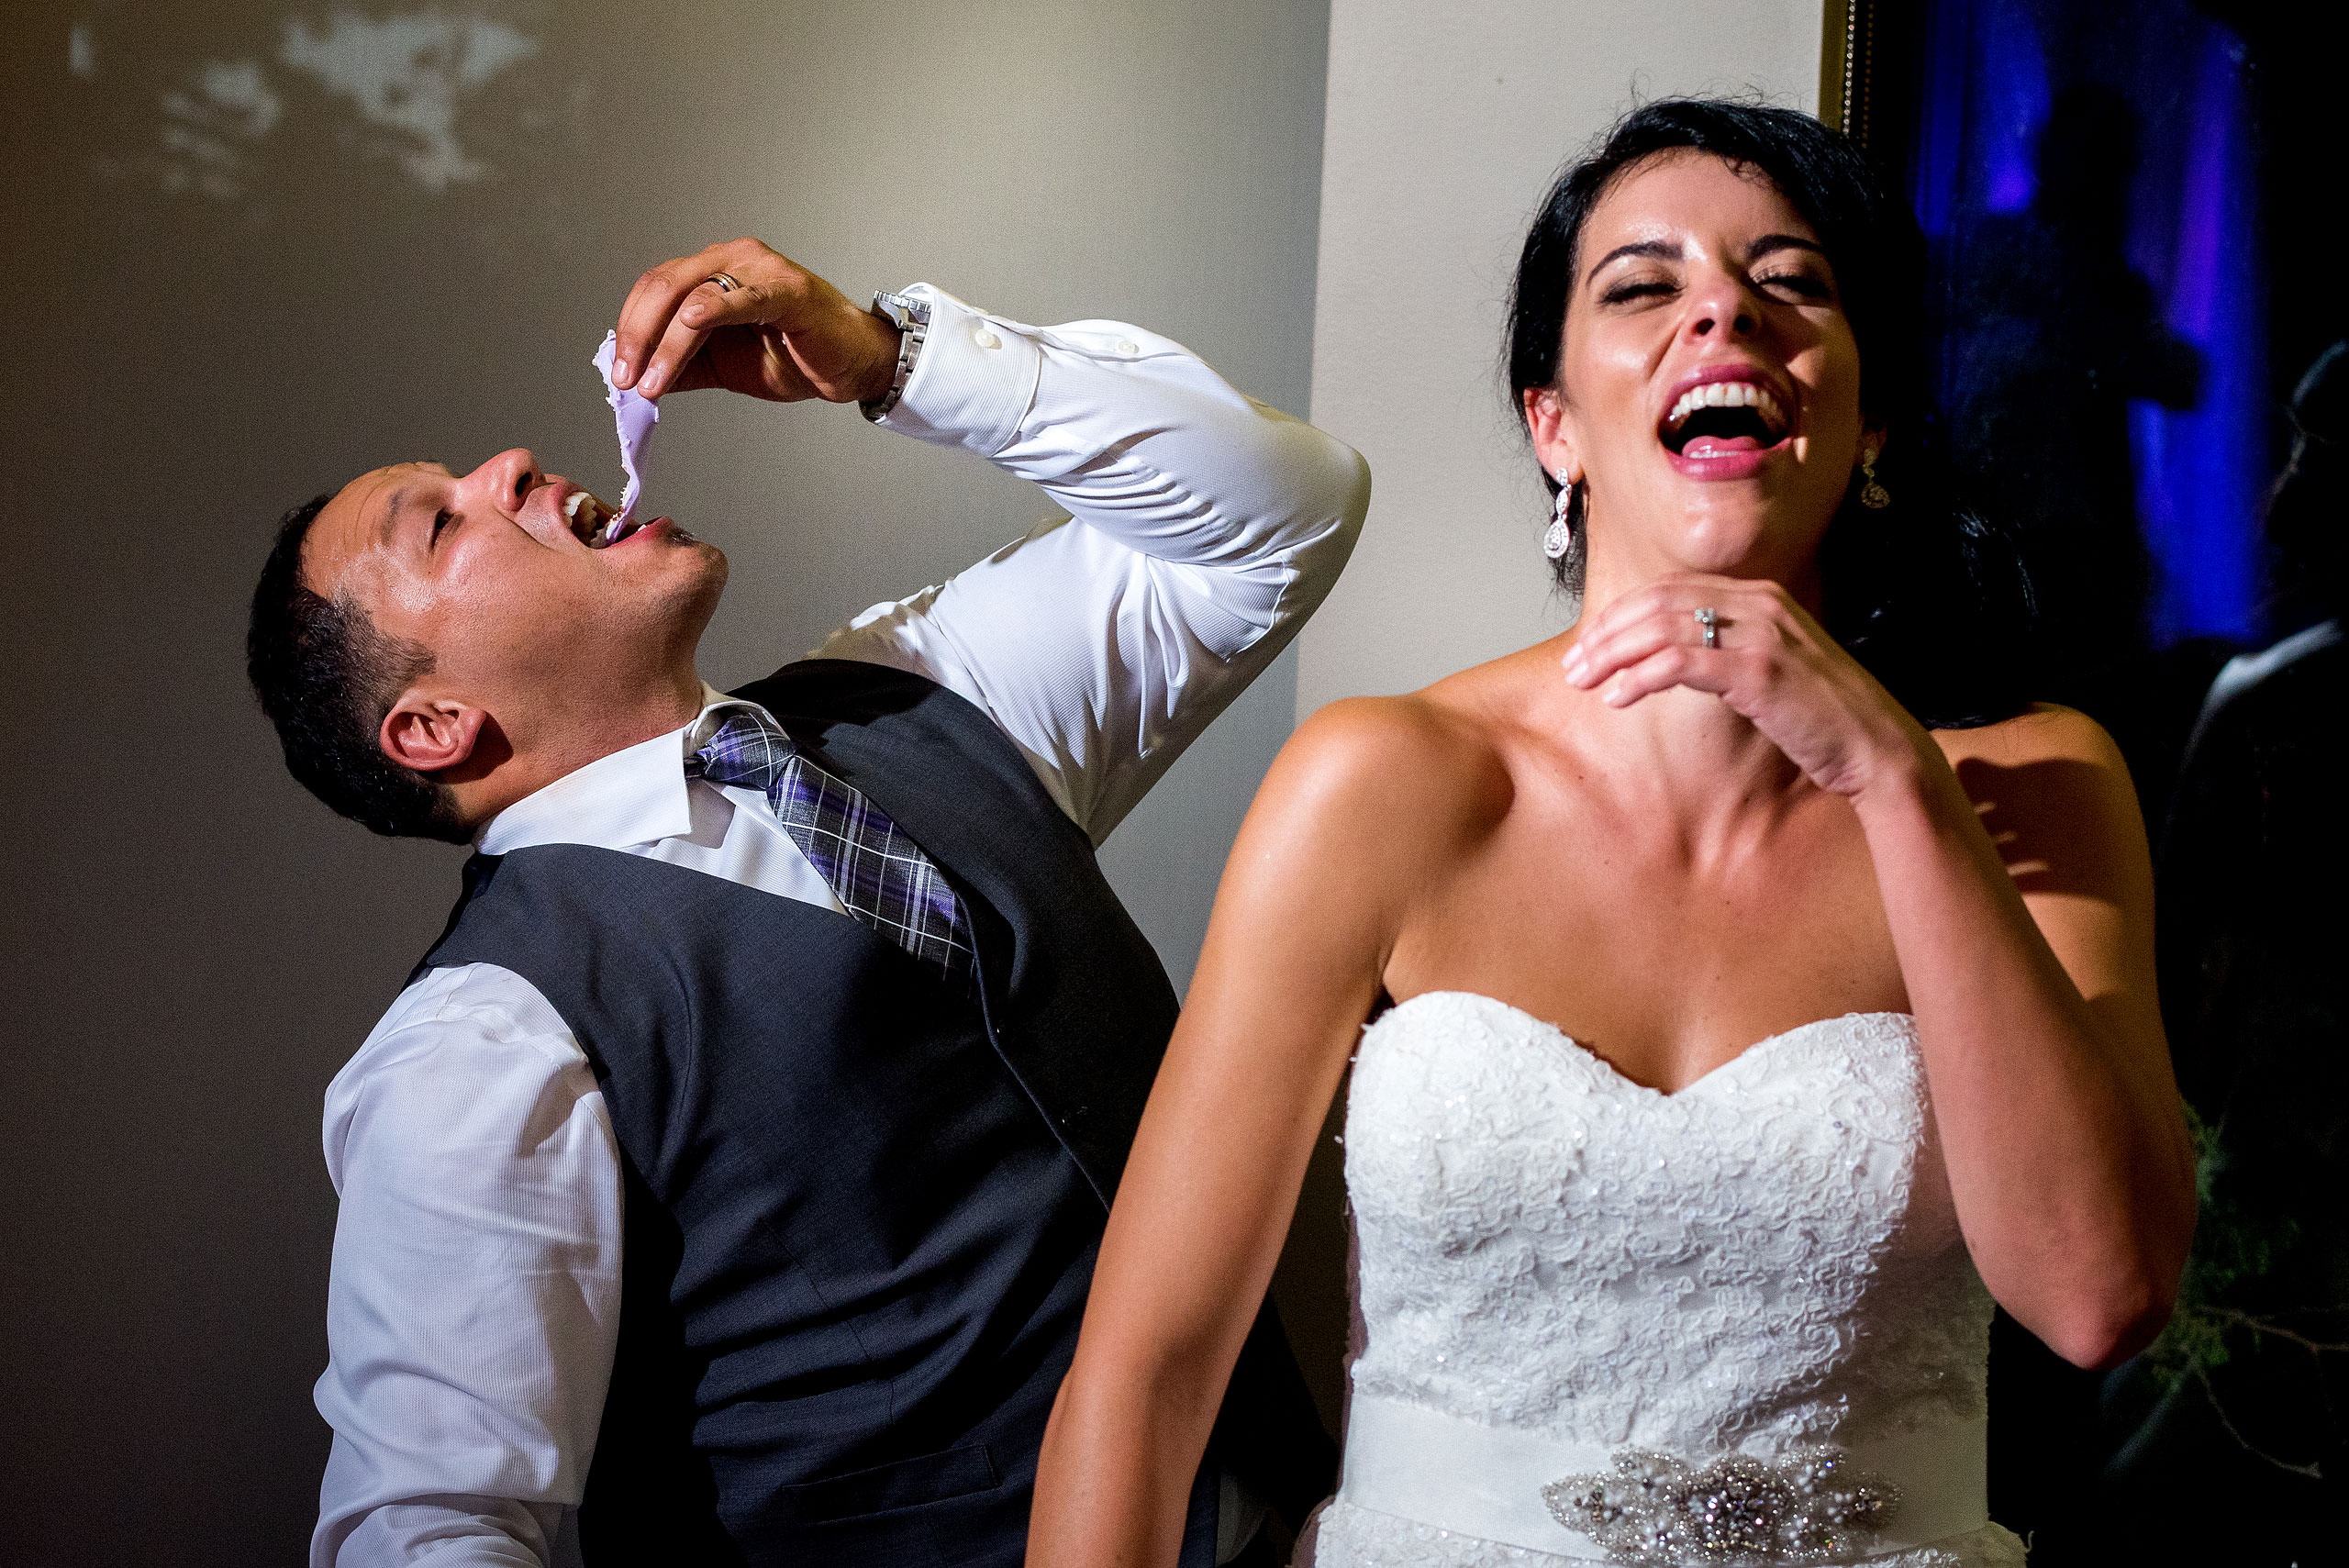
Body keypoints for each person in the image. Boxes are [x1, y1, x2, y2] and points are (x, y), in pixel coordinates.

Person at [1024, 100, 2196, 1568]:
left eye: (1793, 282)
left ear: (1869, 416)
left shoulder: (2037, 783)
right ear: (1555, 424)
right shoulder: (1384, 784)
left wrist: (1898, 783)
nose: (1724, 309)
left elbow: (2100, 1296)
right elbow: (1141, 1382)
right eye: (1644, 286)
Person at [246, 236, 1366, 1567]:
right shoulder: (478, 1043)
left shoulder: (918, 690)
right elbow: (435, 1527)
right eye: (438, 520)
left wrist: (891, 358)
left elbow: (1289, 509)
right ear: (434, 725)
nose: (503, 467)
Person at [2096, 339, 2349, 1559]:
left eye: (2321, 454)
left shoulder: (2274, 705)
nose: (2284, 495)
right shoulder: (2263, 704)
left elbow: (2183, 999)